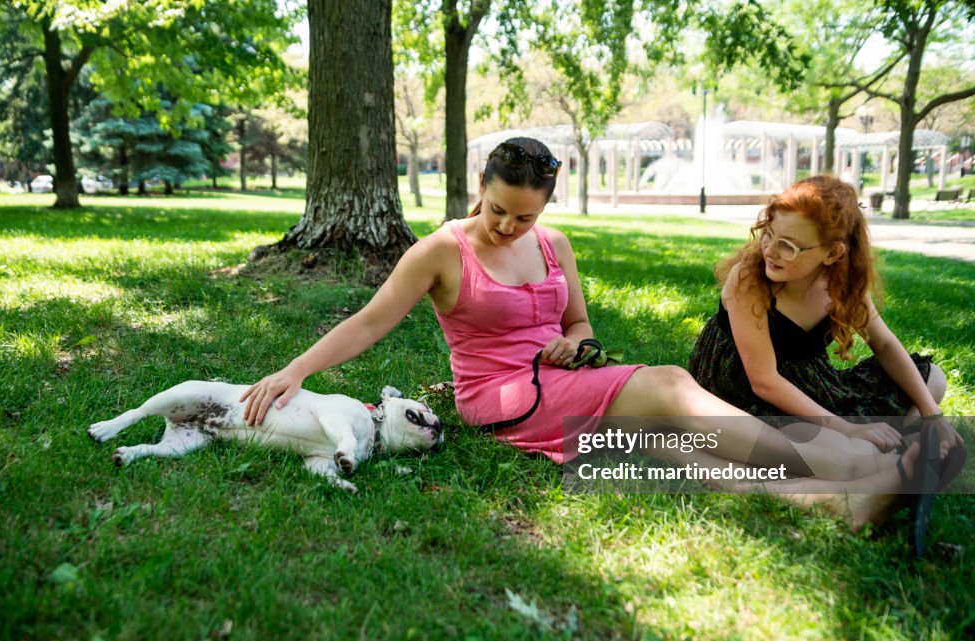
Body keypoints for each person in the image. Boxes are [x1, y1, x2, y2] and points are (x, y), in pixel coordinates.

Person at [240, 138, 927, 531]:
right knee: (668, 387)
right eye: (499, 210)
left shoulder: (556, 244)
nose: (509, 227)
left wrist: (576, 339)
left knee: (664, 446)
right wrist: (295, 370)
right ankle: (838, 458)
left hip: (562, 378)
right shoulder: (441, 251)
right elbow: (370, 320)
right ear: (481, 184)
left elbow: (578, 323)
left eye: (525, 216)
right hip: (499, 396)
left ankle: (841, 502)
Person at [689, 175, 961, 456]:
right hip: (743, 387)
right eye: (768, 234)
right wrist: (849, 428)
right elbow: (764, 381)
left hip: (809, 383)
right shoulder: (748, 279)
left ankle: (903, 438)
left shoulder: (841, 285)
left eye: (788, 246)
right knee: (838, 446)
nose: (769, 251)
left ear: (832, 253)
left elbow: (884, 344)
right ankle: (888, 449)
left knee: (933, 380)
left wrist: (932, 413)